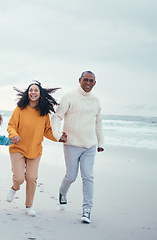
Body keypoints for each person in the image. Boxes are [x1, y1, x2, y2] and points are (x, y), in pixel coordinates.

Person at [6, 81, 66, 217]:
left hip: (35, 150)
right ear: (28, 93)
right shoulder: (19, 109)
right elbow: (11, 125)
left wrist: (59, 137)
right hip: (18, 148)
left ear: (40, 94)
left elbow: (47, 131)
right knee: (20, 178)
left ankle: (29, 205)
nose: (33, 92)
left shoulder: (43, 113)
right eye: (31, 90)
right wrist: (14, 135)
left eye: (36, 90)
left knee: (32, 178)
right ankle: (15, 187)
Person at [51, 71, 104, 224]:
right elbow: (57, 117)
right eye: (85, 80)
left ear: (95, 83)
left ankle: (87, 210)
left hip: (90, 146)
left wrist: (101, 143)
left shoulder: (96, 101)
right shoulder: (69, 97)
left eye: (91, 81)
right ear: (80, 80)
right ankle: (62, 192)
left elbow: (98, 123)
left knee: (88, 177)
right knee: (71, 176)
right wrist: (57, 135)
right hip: (71, 145)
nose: (88, 83)